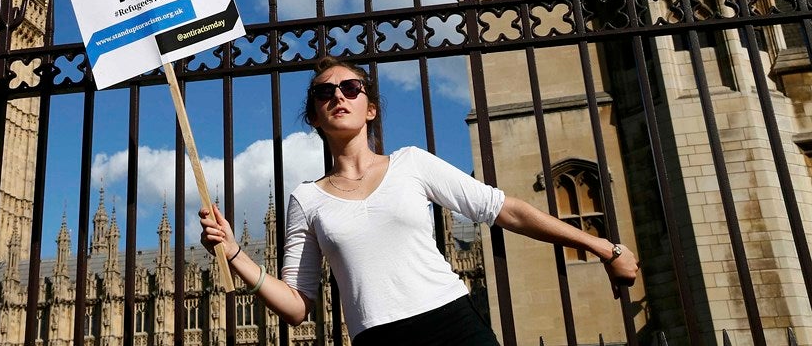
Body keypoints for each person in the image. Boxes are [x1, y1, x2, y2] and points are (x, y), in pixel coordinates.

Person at [200, 56, 639, 345]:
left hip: (451, 322)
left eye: (351, 88)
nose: (338, 95)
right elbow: (298, 306)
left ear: (370, 108)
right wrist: (234, 252)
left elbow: (505, 209)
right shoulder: (306, 199)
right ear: (314, 117)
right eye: (324, 92)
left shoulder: (412, 163)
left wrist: (605, 247)